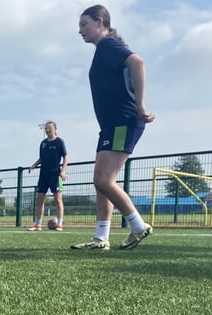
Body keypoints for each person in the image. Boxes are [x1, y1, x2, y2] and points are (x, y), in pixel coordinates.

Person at [71, 5, 155, 250]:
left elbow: (137, 62)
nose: (80, 30)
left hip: (122, 121)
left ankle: (138, 226)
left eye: (84, 24)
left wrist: (140, 105)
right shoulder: (104, 49)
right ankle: (101, 238)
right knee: (100, 182)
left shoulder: (108, 44)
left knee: (103, 179)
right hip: (112, 125)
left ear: (100, 22)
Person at [27, 121, 68, 231]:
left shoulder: (60, 142)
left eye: (49, 128)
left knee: (58, 200)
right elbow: (41, 158)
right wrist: (34, 165)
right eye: (46, 128)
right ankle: (38, 225)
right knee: (40, 200)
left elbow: (66, 157)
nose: (47, 130)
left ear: (55, 129)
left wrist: (63, 171)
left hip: (55, 175)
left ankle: (59, 224)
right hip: (43, 175)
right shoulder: (43, 143)